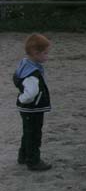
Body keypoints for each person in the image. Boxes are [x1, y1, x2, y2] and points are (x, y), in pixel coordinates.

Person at [13, 33, 53, 171]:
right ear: (36, 53)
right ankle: (33, 161)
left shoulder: (25, 64)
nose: (47, 56)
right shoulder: (33, 73)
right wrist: (22, 99)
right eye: (45, 53)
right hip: (32, 108)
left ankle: (23, 155)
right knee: (34, 134)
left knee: (27, 132)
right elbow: (31, 93)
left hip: (27, 109)